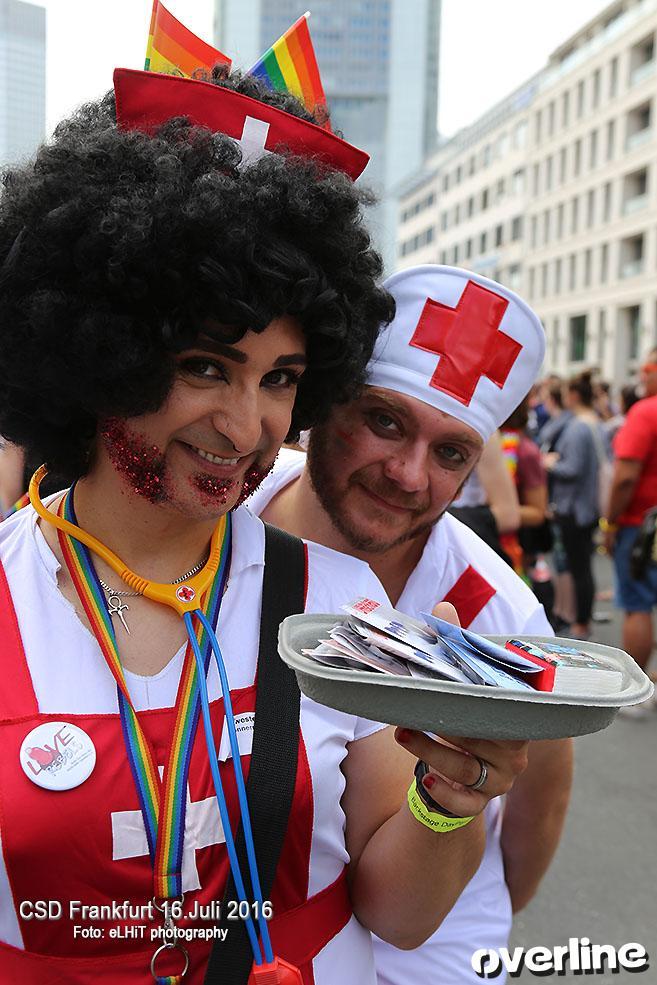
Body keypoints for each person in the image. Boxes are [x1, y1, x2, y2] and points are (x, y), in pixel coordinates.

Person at [0, 71, 530, 984]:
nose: (248, 428)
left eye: (281, 378)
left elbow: (399, 916)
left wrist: (453, 794)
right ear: (97, 349)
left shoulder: (343, 604)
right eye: (207, 365)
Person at [247, 265, 574, 985]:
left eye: (450, 453)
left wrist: (471, 905)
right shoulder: (230, 517)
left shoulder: (496, 612)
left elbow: (537, 804)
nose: (408, 474)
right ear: (325, 404)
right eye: (384, 420)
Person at [602, 350, 657, 690]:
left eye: (648, 368)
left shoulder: (646, 412)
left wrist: (609, 523)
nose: (642, 376)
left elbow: (625, 478)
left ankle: (636, 692)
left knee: (637, 605)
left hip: (643, 526)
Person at [542, 371, 602, 639]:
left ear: (574, 395)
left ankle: (580, 622)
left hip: (574, 508)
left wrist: (551, 463)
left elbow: (573, 468)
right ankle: (581, 619)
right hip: (586, 506)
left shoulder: (578, 426)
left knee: (579, 569)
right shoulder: (594, 422)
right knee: (582, 567)